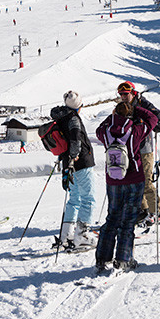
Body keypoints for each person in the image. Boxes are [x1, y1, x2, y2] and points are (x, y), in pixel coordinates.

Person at [94, 98, 160, 274]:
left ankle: (102, 258)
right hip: (134, 179)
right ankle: (124, 259)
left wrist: (113, 117)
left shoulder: (105, 131)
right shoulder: (135, 131)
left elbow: (98, 128)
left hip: (113, 179)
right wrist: (137, 110)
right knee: (128, 221)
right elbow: (153, 119)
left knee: (112, 217)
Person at [50, 90, 95, 250]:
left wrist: (68, 161)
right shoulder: (73, 118)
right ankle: (82, 236)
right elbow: (76, 138)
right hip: (80, 162)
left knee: (74, 198)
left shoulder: (61, 117)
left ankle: (66, 235)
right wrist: (74, 156)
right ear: (78, 106)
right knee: (88, 198)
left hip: (68, 164)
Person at [116, 81, 160, 226]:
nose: (123, 97)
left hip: (145, 148)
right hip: (130, 150)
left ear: (133, 92)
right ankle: (143, 212)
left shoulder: (143, 104)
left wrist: (151, 125)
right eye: (121, 95)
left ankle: (157, 212)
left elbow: (159, 117)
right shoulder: (123, 107)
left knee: (146, 181)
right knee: (134, 181)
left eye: (126, 94)